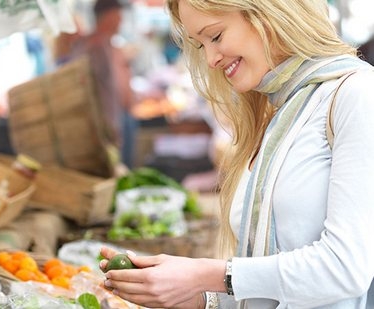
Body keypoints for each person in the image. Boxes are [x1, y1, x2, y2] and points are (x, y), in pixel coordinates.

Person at [99, 0, 374, 308]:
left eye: (215, 36)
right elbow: (268, 288)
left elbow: (346, 269)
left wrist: (206, 274)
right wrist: (193, 297)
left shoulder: (357, 93)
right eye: (201, 46)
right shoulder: (277, 114)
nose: (212, 59)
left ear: (267, 13)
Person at [69, 0, 137, 169]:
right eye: (119, 16)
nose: (121, 21)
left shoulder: (107, 44)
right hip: (106, 126)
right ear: (110, 16)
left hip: (116, 121)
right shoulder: (94, 45)